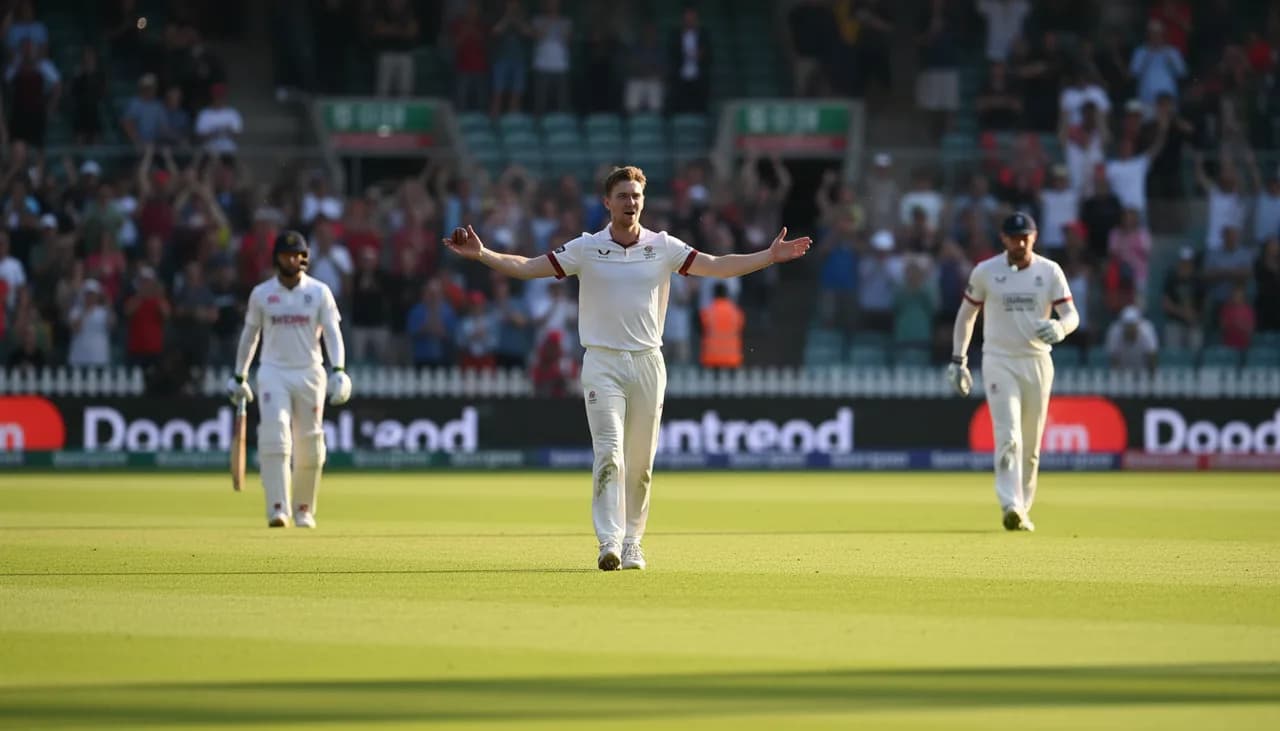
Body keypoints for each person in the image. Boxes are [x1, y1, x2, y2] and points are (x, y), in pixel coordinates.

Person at [444, 165, 810, 571]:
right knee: (610, 453)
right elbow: (529, 266)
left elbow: (718, 264)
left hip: (648, 362)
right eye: (622, 196)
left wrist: (770, 257)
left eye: (636, 196)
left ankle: (635, 541)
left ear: (643, 201)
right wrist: (483, 254)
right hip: (602, 361)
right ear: (607, 202)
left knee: (641, 463)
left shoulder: (663, 246)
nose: (630, 202)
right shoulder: (586, 247)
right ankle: (609, 542)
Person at [946, 213, 1079, 532]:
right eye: (1014, 238)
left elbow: (1071, 314)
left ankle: (1023, 508)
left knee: (1031, 447)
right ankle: (1010, 504)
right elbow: (967, 315)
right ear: (1003, 239)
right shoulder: (986, 271)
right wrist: (958, 359)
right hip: (999, 360)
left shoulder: (1049, 271)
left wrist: (1061, 328)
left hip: (1036, 360)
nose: (1020, 244)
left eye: (1025, 238)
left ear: (1034, 238)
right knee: (1008, 436)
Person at [226, 231, 352, 529]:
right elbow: (250, 337)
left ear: (305, 258)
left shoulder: (319, 292)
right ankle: (277, 508)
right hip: (273, 372)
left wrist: (339, 371)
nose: (292, 260)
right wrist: (239, 374)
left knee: (311, 444)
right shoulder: (261, 294)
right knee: (276, 437)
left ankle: (304, 509)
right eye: (286, 255)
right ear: (276, 258)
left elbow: (333, 334)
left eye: (297, 255)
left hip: (310, 371)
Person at [700, 282, 745, 369]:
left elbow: (701, 328)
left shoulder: (708, 311)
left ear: (714, 294)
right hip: (732, 357)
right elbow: (741, 328)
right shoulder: (735, 312)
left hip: (712, 357)